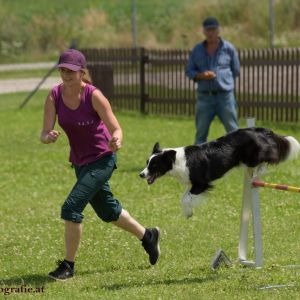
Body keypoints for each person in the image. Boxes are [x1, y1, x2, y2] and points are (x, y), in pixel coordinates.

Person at [40, 49, 160, 281]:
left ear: (82, 72)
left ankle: (68, 265)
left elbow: (116, 128)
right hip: (79, 161)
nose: (66, 75)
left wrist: (117, 139)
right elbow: (44, 132)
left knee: (71, 208)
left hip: (103, 158)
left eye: (71, 71)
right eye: (63, 70)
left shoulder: (93, 95)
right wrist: (48, 137)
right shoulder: (54, 96)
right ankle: (148, 236)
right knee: (107, 211)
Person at [186, 16, 240, 144]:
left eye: (213, 29)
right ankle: (198, 162)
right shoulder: (197, 50)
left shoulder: (229, 48)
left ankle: (239, 159)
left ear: (218, 30)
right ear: (204, 31)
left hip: (225, 97)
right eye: (208, 30)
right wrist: (201, 76)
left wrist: (224, 82)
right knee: (201, 133)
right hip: (205, 98)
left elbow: (236, 70)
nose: (211, 33)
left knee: (233, 131)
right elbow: (189, 71)